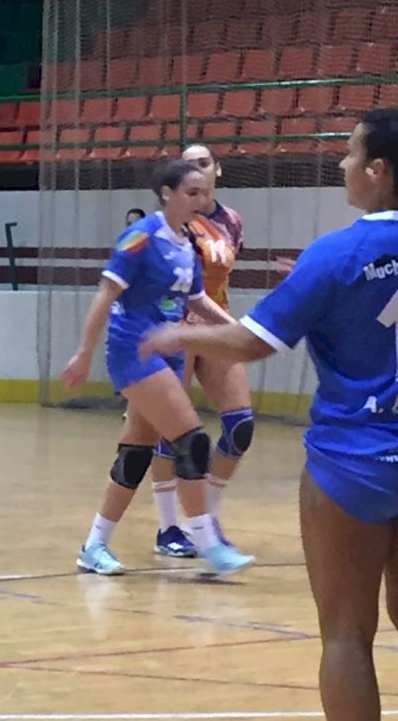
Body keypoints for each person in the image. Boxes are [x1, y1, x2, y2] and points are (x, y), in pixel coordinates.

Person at [140, 109, 398, 720]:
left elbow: (253, 342)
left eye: (351, 153)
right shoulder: (329, 260)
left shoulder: (336, 253)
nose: (343, 164)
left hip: (354, 465)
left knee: (346, 637)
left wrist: (176, 335)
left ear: (378, 170)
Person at [61, 158, 255, 577]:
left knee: (135, 454)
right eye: (191, 193)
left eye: (204, 193)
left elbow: (196, 300)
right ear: (167, 193)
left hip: (169, 350)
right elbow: (105, 293)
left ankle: (93, 546)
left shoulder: (187, 241)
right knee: (192, 440)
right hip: (135, 350)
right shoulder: (141, 236)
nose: (200, 200)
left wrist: (237, 331)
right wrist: (83, 352)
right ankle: (208, 542)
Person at [149, 143, 255, 558]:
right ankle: (168, 528)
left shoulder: (231, 220)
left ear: (218, 170)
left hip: (215, 324)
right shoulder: (170, 224)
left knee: (240, 425)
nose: (197, 170)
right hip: (176, 326)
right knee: (171, 430)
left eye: (204, 163)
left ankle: (205, 519)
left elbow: (220, 278)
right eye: (189, 165)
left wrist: (231, 327)